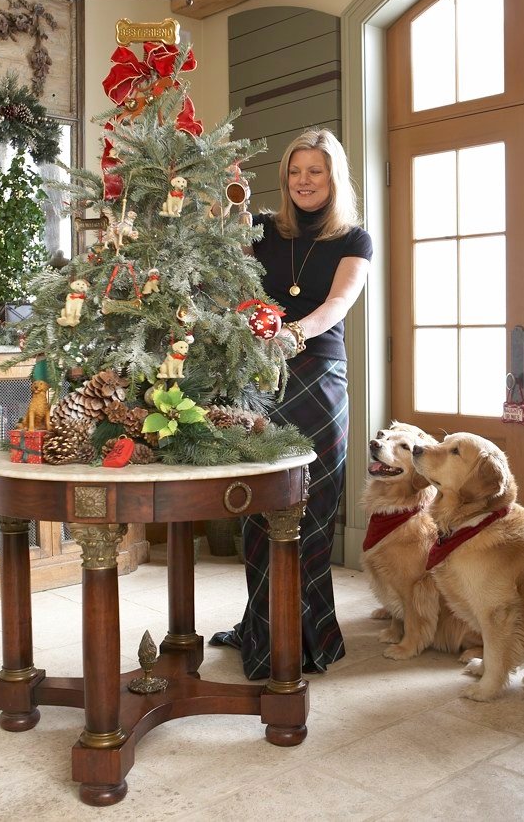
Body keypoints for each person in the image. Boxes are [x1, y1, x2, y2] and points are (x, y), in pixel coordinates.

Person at [210, 127, 373, 679]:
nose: (304, 181)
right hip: (259, 375)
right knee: (260, 505)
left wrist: (290, 335)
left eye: (316, 171)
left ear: (333, 177)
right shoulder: (258, 229)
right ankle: (261, 626)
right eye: (295, 171)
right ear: (286, 179)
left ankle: (312, 633)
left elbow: (338, 303)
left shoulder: (354, 239)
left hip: (318, 375)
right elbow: (226, 274)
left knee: (314, 504)